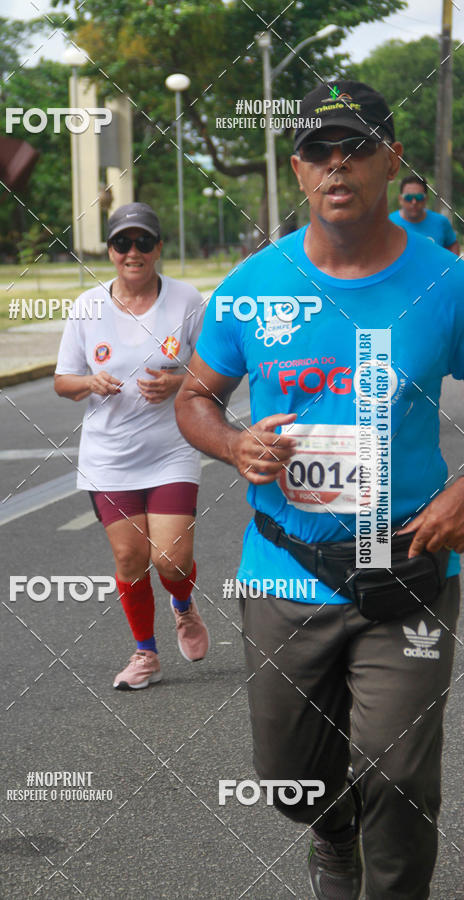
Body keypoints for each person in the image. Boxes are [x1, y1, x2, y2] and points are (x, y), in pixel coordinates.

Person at [175, 79, 464, 899]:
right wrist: (232, 442)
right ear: (296, 168)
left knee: (400, 778)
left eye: (356, 147)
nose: (337, 166)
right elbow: (195, 396)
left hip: (407, 564)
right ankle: (334, 836)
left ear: (392, 158)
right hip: (285, 568)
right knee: (288, 777)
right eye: (316, 151)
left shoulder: (445, 283)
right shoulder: (252, 285)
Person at [54, 202, 209, 690]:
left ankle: (182, 604)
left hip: (171, 449)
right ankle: (146, 654)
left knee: (169, 558)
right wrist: (88, 383)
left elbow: (215, 369)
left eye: (144, 242)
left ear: (159, 248)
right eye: (123, 243)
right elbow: (61, 381)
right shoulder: (87, 306)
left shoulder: (187, 301)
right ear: (110, 251)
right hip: (109, 455)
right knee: (129, 558)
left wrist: (180, 380)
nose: (133, 252)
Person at [389, 175, 460, 254]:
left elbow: (452, 244)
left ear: (426, 199)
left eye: (419, 197)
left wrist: (453, 264)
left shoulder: (441, 222)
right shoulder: (389, 223)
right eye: (408, 197)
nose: (414, 202)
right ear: (400, 199)